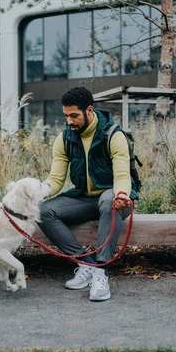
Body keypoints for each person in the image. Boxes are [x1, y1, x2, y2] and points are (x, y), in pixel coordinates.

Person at [38, 86, 139, 301]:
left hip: (116, 200)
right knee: (43, 211)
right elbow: (55, 180)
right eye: (66, 116)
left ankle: (101, 273)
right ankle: (87, 265)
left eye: (74, 115)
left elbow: (122, 176)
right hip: (85, 198)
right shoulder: (64, 139)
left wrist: (122, 195)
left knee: (108, 200)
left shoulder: (113, 135)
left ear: (89, 110)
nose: (70, 121)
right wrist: (34, 194)